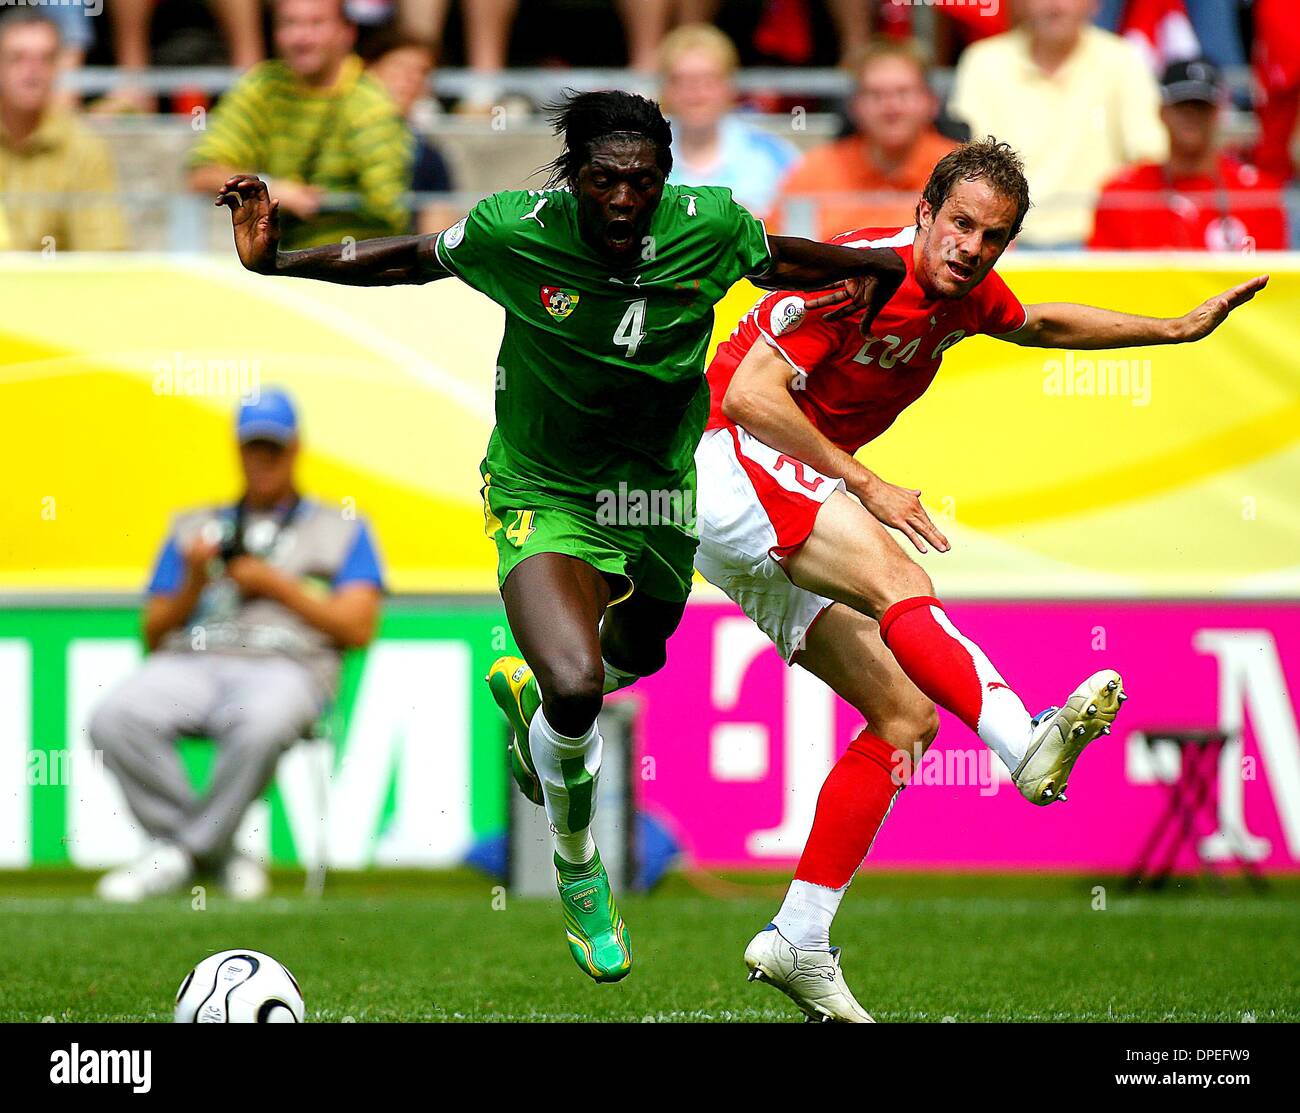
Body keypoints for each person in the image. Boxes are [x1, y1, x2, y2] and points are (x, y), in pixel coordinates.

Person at [213, 89, 906, 982]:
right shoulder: (515, 229)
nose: (623, 200)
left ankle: (536, 715)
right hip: (543, 483)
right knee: (578, 684)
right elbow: (410, 260)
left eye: (643, 182)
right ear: (574, 175)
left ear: (667, 180)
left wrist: (879, 272)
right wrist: (282, 261)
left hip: (655, 490)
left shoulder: (708, 224)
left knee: (642, 648)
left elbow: (778, 262)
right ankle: (579, 864)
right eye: (604, 180)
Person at [695, 139, 1265, 1021]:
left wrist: (1173, 329)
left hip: (759, 496)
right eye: (957, 223)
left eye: (992, 235)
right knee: (895, 574)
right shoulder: (862, 276)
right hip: (727, 457)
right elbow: (750, 397)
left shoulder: (966, 294)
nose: (970, 246)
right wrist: (865, 480)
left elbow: (1038, 323)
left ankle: (798, 933)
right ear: (923, 213)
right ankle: (1023, 745)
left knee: (904, 716)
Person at [89, 389, 386, 902]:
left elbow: (358, 628)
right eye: (254, 448)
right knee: (114, 715)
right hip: (195, 658)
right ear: (239, 451)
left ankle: (177, 855)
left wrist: (275, 585)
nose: (263, 460)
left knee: (262, 719)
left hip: (287, 667)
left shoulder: (340, 527)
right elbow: (153, 633)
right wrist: (192, 581)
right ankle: (216, 852)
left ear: (294, 450)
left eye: (274, 448)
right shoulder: (193, 526)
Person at [187, 0, 412, 250]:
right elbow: (202, 173)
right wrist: (272, 187)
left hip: (357, 256)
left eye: (316, 23)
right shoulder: (262, 87)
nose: (301, 37)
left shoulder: (371, 101)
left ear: (347, 32)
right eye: (290, 23)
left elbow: (389, 208)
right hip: (280, 260)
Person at [949, 0, 1167, 247]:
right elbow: (970, 162)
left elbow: (1149, 157)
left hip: (1100, 240)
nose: (1055, 6)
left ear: (1094, 4)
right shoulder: (983, 61)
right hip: (1004, 239)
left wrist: (1121, 234)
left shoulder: (1123, 59)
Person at [1090, 59, 1287, 251]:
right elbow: (1101, 280)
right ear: (1161, 111)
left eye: (1201, 107)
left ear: (1218, 112)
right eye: (1181, 106)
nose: (1191, 115)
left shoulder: (1259, 195)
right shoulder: (1122, 195)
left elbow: (1270, 279)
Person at [773, 39, 957, 240]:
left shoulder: (961, 171)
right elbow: (776, 243)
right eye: (875, 95)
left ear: (931, 101)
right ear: (854, 106)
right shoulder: (815, 171)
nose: (890, 107)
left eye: (903, 93)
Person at [0, 11, 126, 252]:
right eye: (17, 58)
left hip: (54, 288)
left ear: (59, 68)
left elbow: (103, 257)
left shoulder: (85, 149)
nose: (31, 72)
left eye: (45, 59)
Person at [658, 23, 798, 218]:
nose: (695, 93)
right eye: (681, 81)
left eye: (708, 80)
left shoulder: (776, 156)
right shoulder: (645, 154)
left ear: (730, 85)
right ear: (665, 89)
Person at [361, 29, 459, 234]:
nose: (411, 79)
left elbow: (437, 232)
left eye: (422, 71)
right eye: (399, 67)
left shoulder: (429, 156)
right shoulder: (333, 131)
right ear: (369, 69)